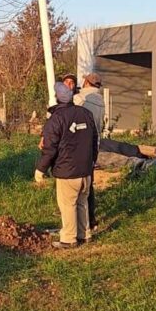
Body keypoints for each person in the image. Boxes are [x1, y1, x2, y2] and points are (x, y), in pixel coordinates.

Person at [34, 81, 98, 249]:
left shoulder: (56, 119)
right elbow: (94, 141)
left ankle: (69, 238)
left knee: (68, 204)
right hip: (86, 170)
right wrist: (92, 161)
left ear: (57, 99)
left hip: (67, 172)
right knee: (82, 202)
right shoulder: (86, 114)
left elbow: (50, 148)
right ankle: (85, 234)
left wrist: (41, 169)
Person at [73, 73, 105, 232]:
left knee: (75, 182)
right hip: (94, 144)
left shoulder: (80, 99)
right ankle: (91, 220)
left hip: (79, 144)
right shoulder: (101, 101)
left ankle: (78, 221)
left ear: (86, 82)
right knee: (88, 182)